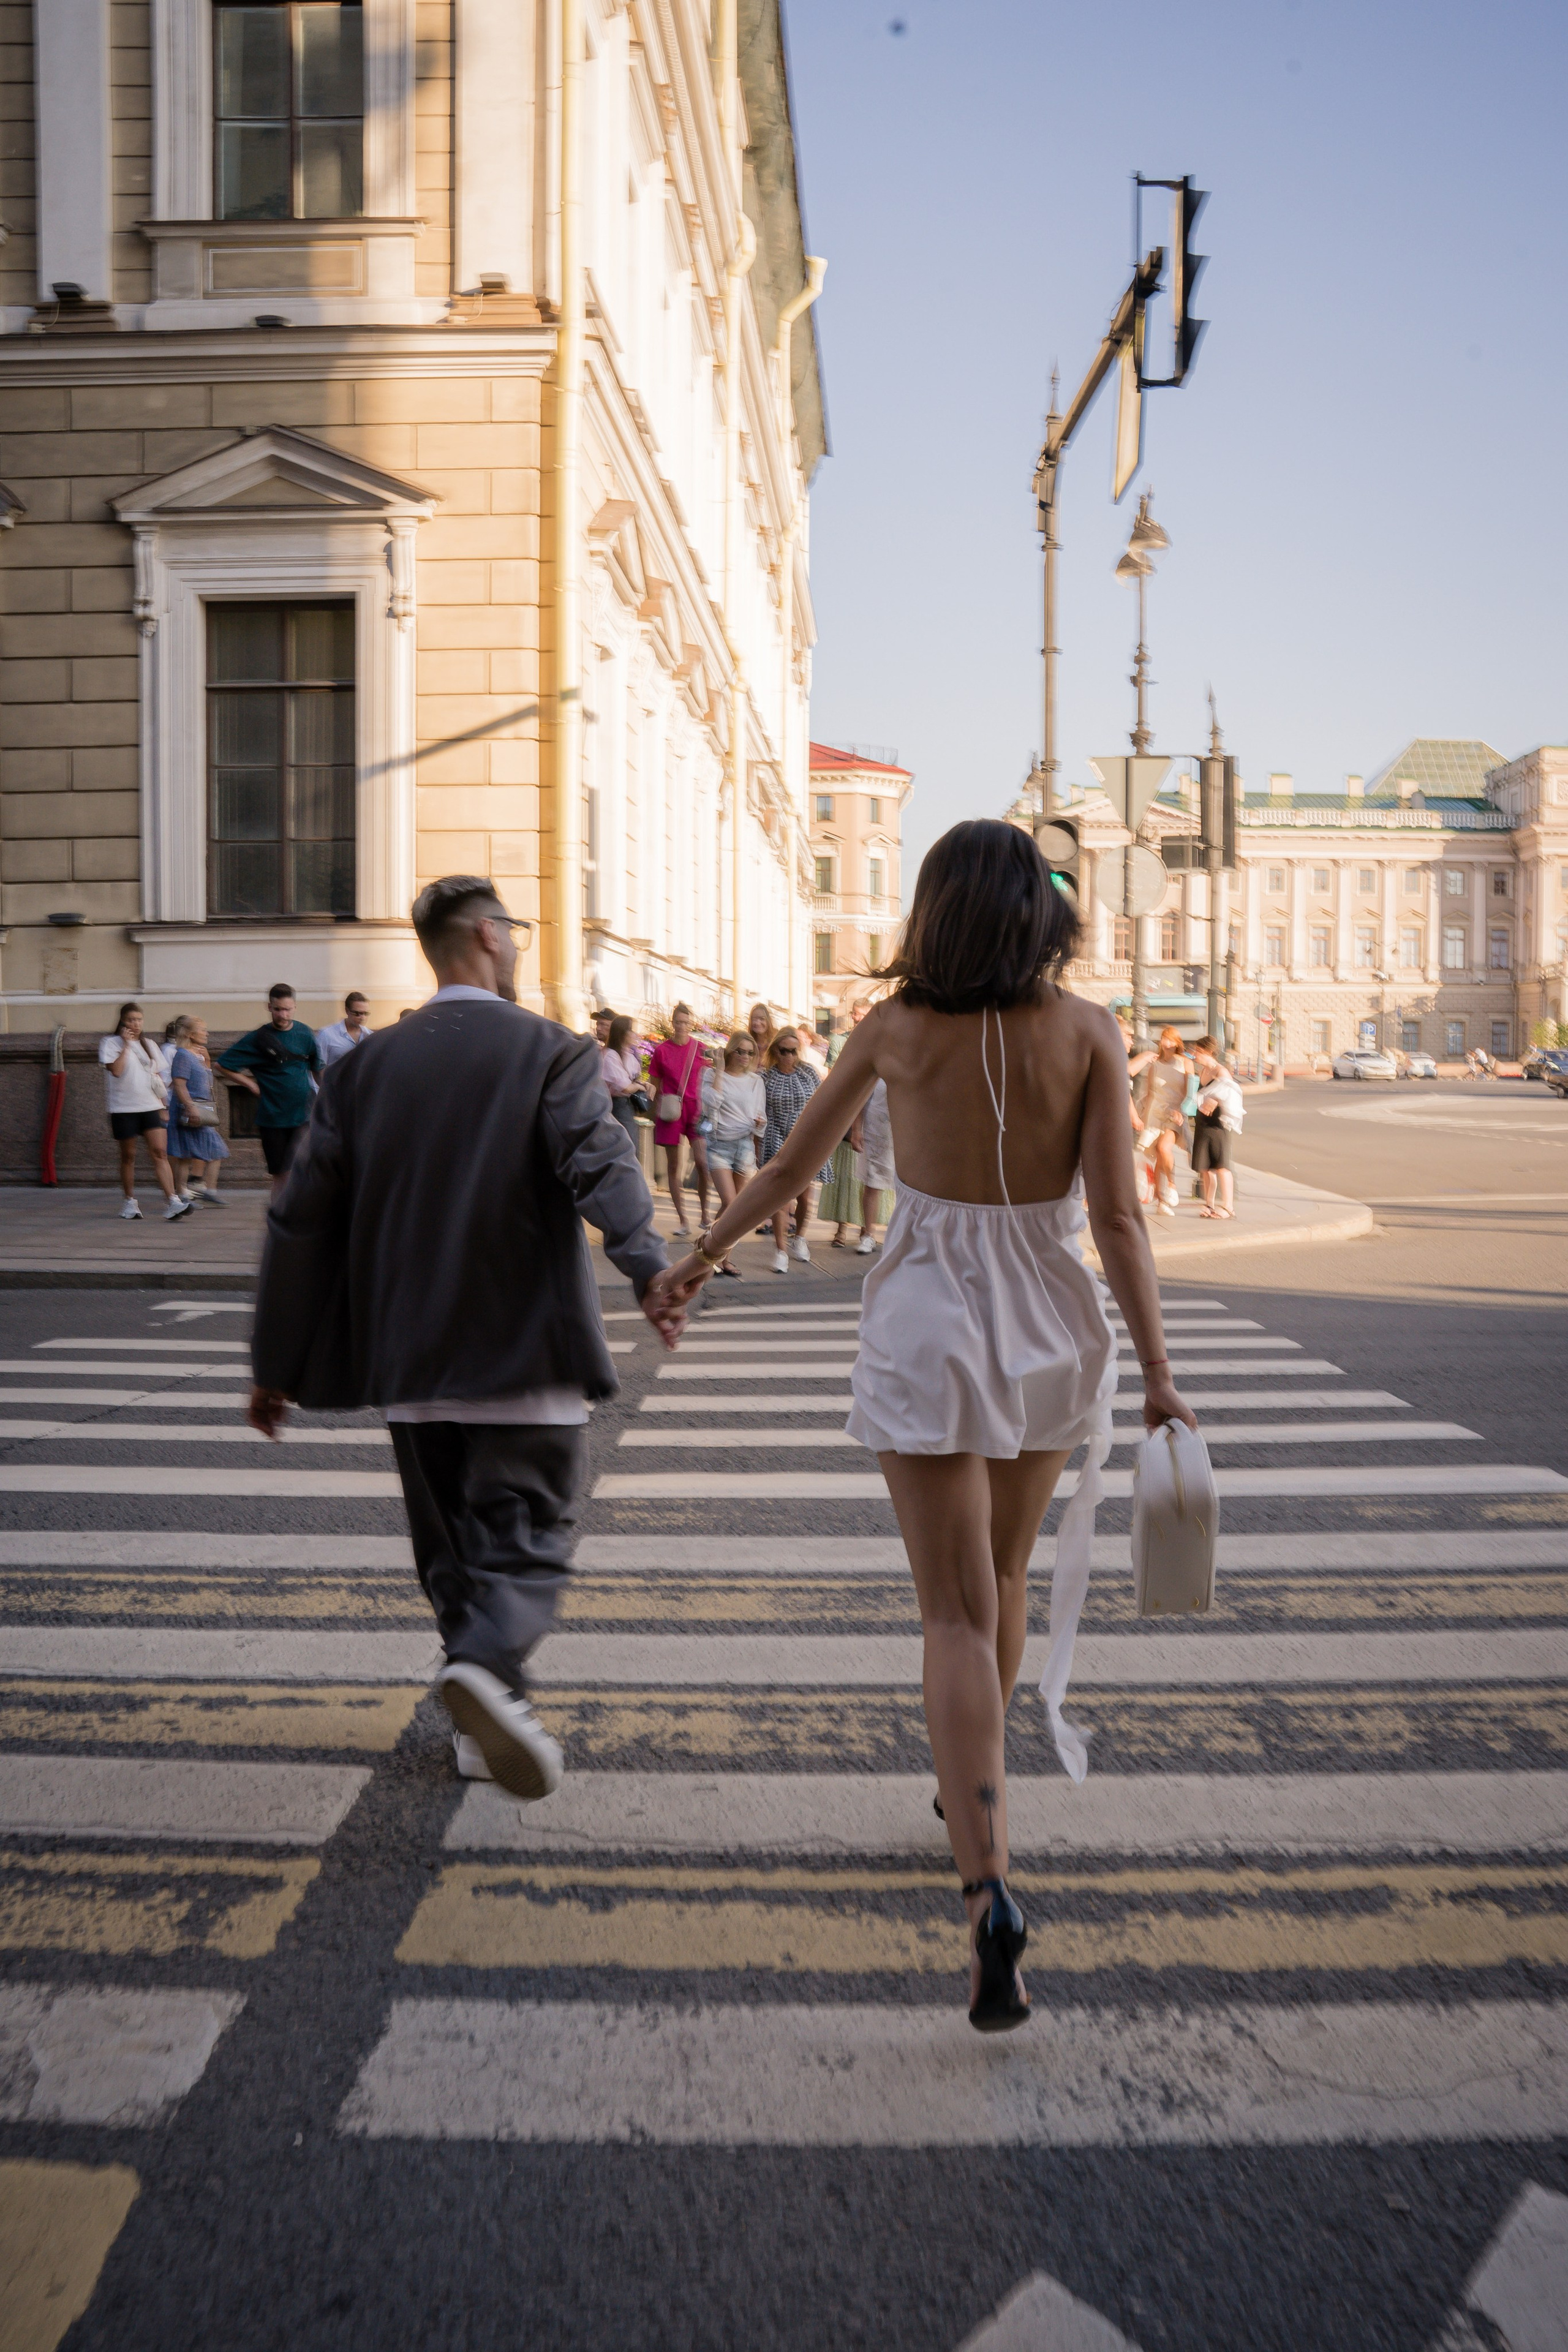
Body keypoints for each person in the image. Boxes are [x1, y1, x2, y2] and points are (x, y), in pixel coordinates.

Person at [650, 820, 1194, 2032]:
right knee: (999, 1577)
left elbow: (792, 1169)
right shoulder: (1090, 1033)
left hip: (927, 1311)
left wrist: (696, 1256)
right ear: (1035, 916)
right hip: (1049, 1313)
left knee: (948, 1607)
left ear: (936, 912)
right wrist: (1157, 1370)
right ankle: (978, 1792)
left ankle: (985, 1884)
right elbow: (1117, 1217)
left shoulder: (893, 1030)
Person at [248, 875, 684, 1801]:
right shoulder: (548, 1052)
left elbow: (302, 1220)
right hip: (526, 1345)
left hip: (410, 1356)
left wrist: (275, 1364)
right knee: (523, 1538)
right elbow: (597, 1162)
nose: (518, 945)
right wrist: (649, 1266)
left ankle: (483, 1720)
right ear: (489, 935)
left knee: (452, 1556)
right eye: (515, 932)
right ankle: (486, 1671)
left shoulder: (363, 1068)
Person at [216, 984, 323, 1194]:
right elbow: (222, 1065)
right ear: (269, 1007)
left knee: (303, 1170)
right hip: (273, 1118)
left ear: (295, 1007)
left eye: (288, 1009)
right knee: (282, 1175)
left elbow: (317, 1068)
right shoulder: (258, 1039)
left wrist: (331, 1096)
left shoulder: (304, 1033)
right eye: (278, 1009)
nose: (283, 1015)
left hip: (303, 1114)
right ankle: (281, 1218)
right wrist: (250, 1084)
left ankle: (298, 1219)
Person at [98, 1002, 191, 1221]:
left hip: (151, 1106)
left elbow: (158, 1076)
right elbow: (117, 1071)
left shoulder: (149, 1044)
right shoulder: (110, 1043)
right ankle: (130, 1202)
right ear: (122, 1021)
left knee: (160, 1152)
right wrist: (127, 1046)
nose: (136, 1024)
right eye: (131, 1020)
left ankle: (173, 1201)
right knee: (129, 1156)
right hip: (124, 1108)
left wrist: (163, 1105)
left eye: (139, 1019)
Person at [759, 1028, 831, 1272]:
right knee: (780, 1198)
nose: (789, 1056)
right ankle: (780, 1251)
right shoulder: (767, 1076)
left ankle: (799, 1238)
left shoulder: (808, 1072)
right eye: (784, 1051)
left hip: (805, 1138)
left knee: (804, 1197)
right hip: (777, 1136)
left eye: (793, 1050)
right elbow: (761, 1108)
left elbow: (821, 1103)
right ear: (775, 1051)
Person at [699, 1032, 766, 1275]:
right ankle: (710, 1253)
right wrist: (718, 1070)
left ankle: (719, 1256)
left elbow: (762, 1120)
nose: (745, 1057)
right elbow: (712, 1102)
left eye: (750, 1052)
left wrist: (759, 1123)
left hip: (745, 1145)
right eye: (740, 1051)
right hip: (719, 1146)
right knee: (731, 1203)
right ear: (730, 1051)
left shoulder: (755, 1082)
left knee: (736, 1210)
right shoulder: (711, 1075)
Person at [647, 1003, 711, 1234]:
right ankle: (683, 1220)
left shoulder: (700, 1049)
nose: (682, 1026)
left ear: (691, 1024)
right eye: (678, 1022)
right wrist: (660, 1107)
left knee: (703, 1165)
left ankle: (705, 1215)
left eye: (686, 1022)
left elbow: (709, 1081)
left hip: (696, 1109)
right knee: (673, 1167)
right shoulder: (662, 1051)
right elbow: (654, 1085)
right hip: (672, 1109)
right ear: (672, 1023)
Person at [819, 1000, 875, 1242]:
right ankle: (841, 1230)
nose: (858, 1019)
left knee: (870, 1176)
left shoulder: (881, 1043)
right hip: (846, 1111)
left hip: (874, 1114)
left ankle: (867, 1230)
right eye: (856, 1014)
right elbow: (831, 1078)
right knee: (844, 1175)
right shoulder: (839, 1041)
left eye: (864, 1015)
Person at [1130, 1025, 1194, 1218]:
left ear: (1177, 1043)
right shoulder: (1155, 1064)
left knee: (1165, 1148)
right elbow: (1150, 1093)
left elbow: (1190, 1093)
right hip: (1155, 1113)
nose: (1165, 1042)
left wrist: (1182, 1110)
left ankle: (1172, 1185)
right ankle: (1162, 1201)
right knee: (1156, 1154)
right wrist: (1142, 1117)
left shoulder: (1185, 1063)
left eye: (1170, 1039)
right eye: (1163, 1038)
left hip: (1175, 1113)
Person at [167, 1015, 230, 1206]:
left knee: (215, 1150)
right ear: (191, 1034)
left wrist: (208, 1064)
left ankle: (208, 1190)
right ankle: (183, 1194)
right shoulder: (183, 1055)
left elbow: (206, 1084)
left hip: (200, 1111)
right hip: (190, 1111)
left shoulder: (197, 1056)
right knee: (186, 1155)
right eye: (203, 1030)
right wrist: (190, 1107)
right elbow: (179, 1085)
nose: (207, 1033)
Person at [1189, 1035, 1243, 1219]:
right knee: (1205, 1167)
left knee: (1221, 1166)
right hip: (1203, 1123)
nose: (1195, 1054)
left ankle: (1228, 1207)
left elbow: (1233, 1094)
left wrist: (1216, 1099)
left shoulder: (1221, 1072)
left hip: (1218, 1125)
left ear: (1209, 1052)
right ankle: (1210, 1205)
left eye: (1198, 1051)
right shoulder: (1203, 1071)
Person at [849, 1076, 895, 1254]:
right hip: (875, 1131)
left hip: (903, 1132)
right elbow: (862, 1098)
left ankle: (904, 1236)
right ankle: (869, 1235)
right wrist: (856, 1130)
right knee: (872, 1183)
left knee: (907, 1187)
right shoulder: (879, 1066)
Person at [601, 1014, 643, 1148]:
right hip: (616, 1106)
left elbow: (636, 1078)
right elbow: (625, 1087)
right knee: (626, 1147)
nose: (634, 1034)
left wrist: (645, 1085)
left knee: (631, 1145)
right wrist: (638, 1086)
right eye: (631, 1030)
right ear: (623, 1033)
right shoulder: (610, 1056)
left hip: (628, 1106)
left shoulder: (629, 1055)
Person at [318, 993, 374, 1068]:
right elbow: (319, 1066)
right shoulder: (327, 1035)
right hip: (335, 1079)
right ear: (347, 1011)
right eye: (357, 1013)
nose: (362, 1017)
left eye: (366, 1013)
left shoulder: (370, 1036)